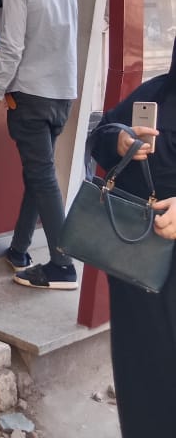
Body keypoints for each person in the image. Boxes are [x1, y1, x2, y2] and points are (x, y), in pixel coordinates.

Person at [0, 0, 79, 290]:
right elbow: (57, 40)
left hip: (31, 96)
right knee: (39, 175)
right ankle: (19, 250)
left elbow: (13, 44)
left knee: (42, 176)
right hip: (61, 95)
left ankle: (62, 265)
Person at [90, 42, 176, 438]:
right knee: (141, 377)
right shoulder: (157, 94)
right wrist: (120, 141)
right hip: (137, 271)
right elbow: (101, 135)